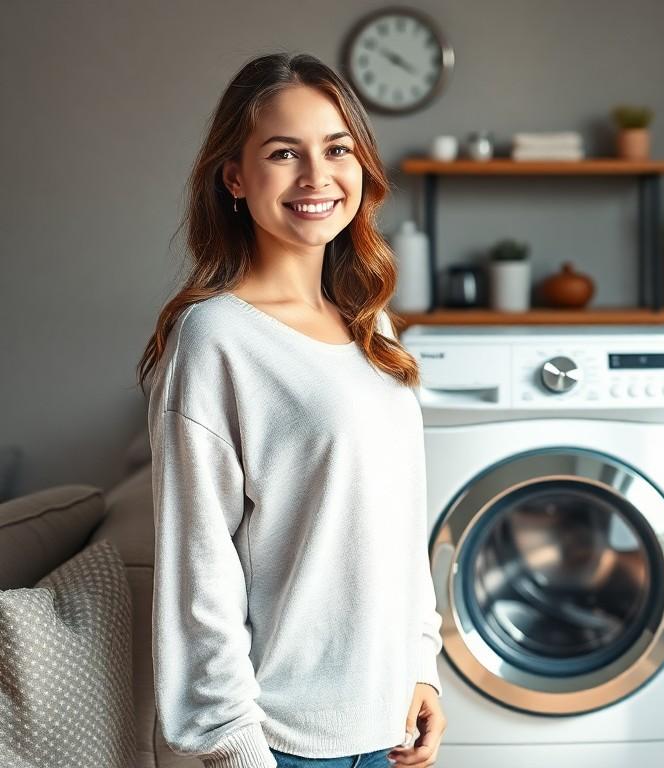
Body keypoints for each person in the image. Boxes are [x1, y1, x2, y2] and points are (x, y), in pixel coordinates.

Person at [135, 52, 446, 768]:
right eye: (284, 153)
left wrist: (420, 664)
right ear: (235, 178)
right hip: (281, 745)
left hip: (390, 724)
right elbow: (199, 575)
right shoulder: (212, 338)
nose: (316, 177)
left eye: (337, 149)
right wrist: (238, 750)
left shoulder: (372, 324)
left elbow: (399, 520)